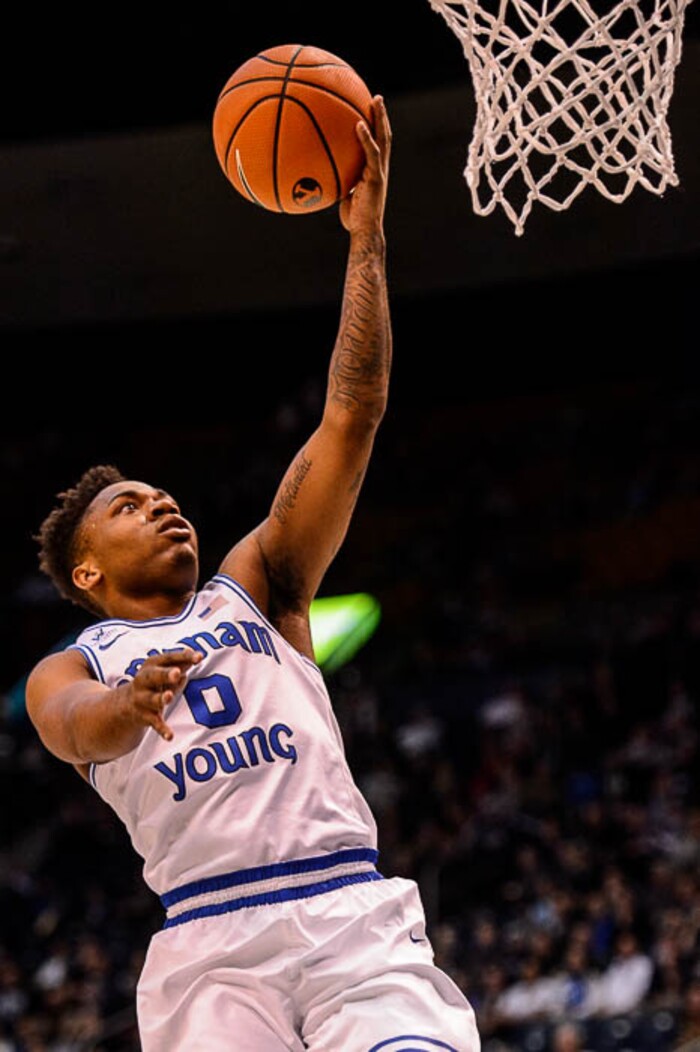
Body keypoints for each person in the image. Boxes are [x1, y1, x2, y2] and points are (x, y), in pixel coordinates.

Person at [25, 97, 481, 1052]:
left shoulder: (259, 582)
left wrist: (366, 240)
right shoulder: (78, 664)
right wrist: (127, 707)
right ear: (87, 568)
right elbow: (74, 730)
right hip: (209, 941)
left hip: (349, 910)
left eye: (161, 494)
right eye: (129, 505)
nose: (160, 504)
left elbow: (351, 414)